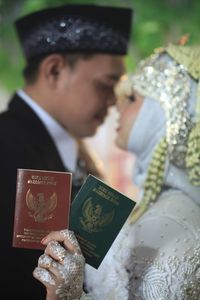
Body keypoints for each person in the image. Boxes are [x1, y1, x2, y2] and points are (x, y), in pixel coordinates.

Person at [34, 42, 200, 299]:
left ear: (167, 114)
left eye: (132, 98)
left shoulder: (172, 223)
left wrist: (67, 295)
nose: (117, 106)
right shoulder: (160, 205)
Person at [0, 4, 133, 299]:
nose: (114, 100)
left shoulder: (76, 150)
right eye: (107, 84)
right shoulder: (6, 144)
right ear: (55, 70)